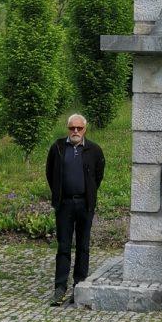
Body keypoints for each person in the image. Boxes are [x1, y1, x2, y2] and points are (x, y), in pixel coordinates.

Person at [45, 113, 105, 305]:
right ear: (68, 129)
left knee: (83, 246)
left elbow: (98, 174)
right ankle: (60, 288)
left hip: (85, 204)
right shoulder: (58, 147)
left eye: (79, 128)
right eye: (72, 128)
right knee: (63, 246)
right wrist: (59, 193)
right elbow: (50, 173)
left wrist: (88, 193)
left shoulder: (94, 149)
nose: (76, 131)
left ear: (85, 129)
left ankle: (79, 285)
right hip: (64, 204)